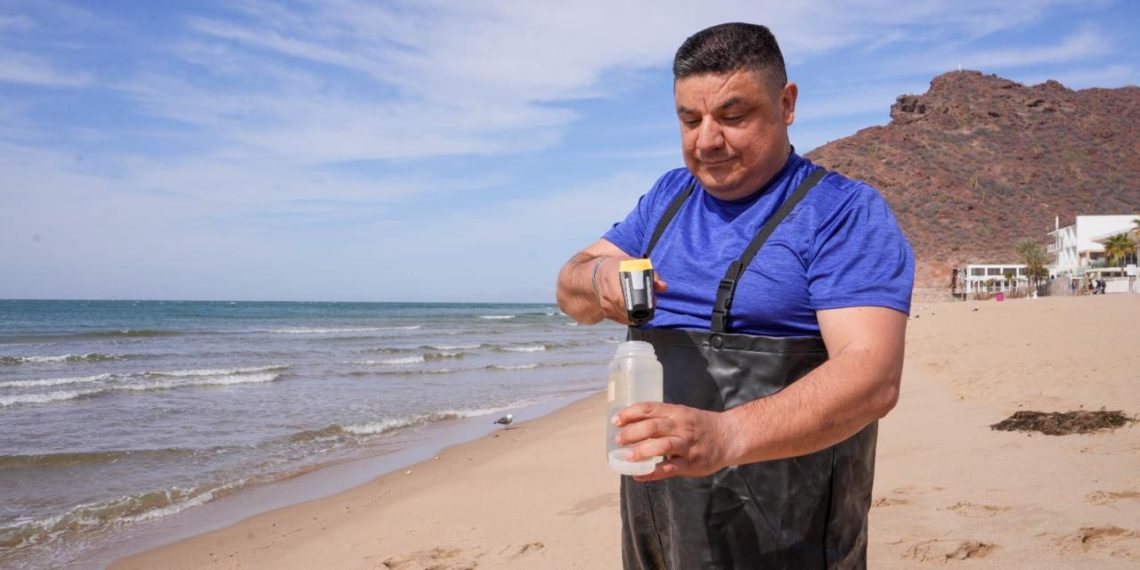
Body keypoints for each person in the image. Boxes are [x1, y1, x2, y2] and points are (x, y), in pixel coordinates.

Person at [556, 22, 914, 569]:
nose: (706, 141)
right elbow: (570, 288)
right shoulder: (668, 197)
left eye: (732, 115)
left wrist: (725, 435)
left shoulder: (843, 213)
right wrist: (599, 275)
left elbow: (873, 376)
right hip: (660, 527)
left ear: (786, 104)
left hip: (788, 534)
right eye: (689, 120)